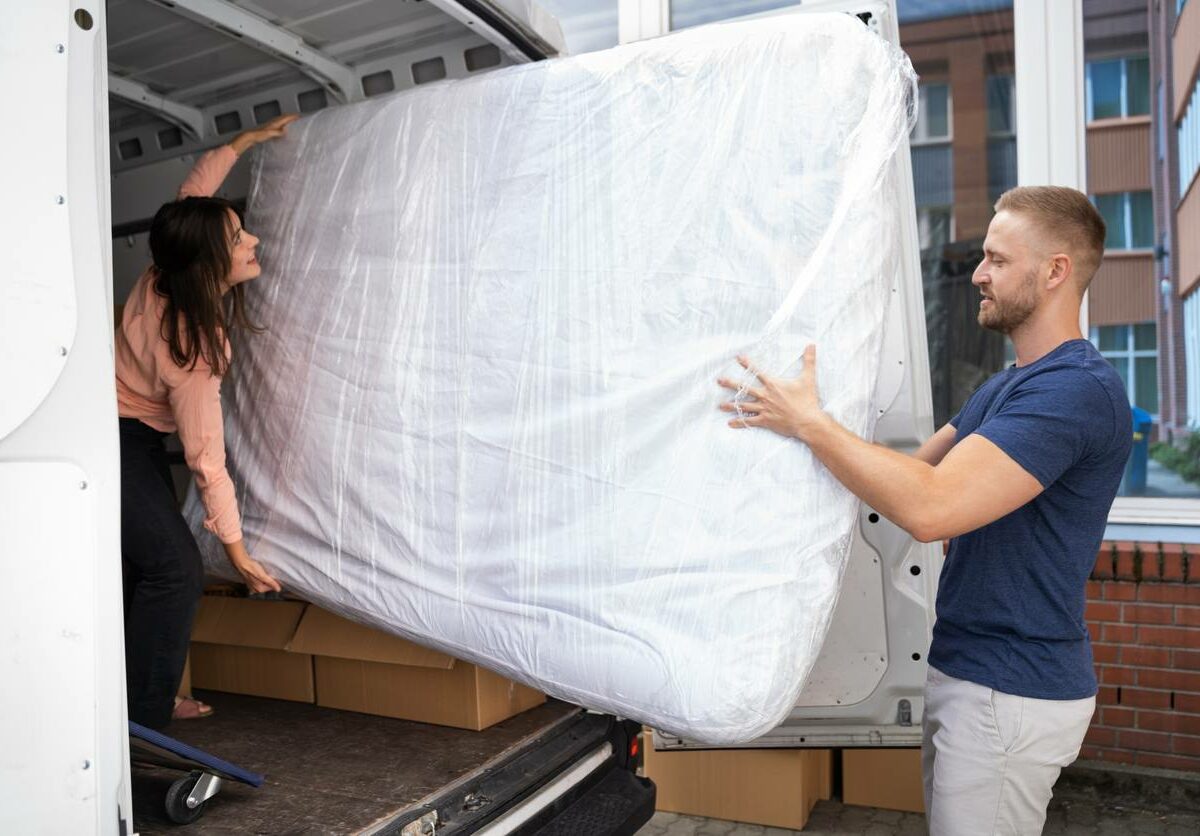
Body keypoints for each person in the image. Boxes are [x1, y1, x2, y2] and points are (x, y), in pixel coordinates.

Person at [717, 186, 1130, 835]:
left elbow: (930, 507)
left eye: (996, 258)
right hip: (967, 671)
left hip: (1010, 690)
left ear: (1055, 271)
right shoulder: (1008, 385)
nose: (977, 274)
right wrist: (800, 425)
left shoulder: (1074, 391)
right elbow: (916, 470)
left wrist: (813, 425)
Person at [115, 113, 298, 729]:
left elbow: (192, 196)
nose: (254, 244)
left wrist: (241, 144)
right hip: (114, 435)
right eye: (239, 240)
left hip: (123, 431)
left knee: (148, 563)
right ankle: (143, 723)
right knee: (175, 568)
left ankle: (125, 698)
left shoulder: (169, 265)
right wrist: (237, 552)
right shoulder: (192, 347)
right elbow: (206, 458)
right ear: (208, 265)